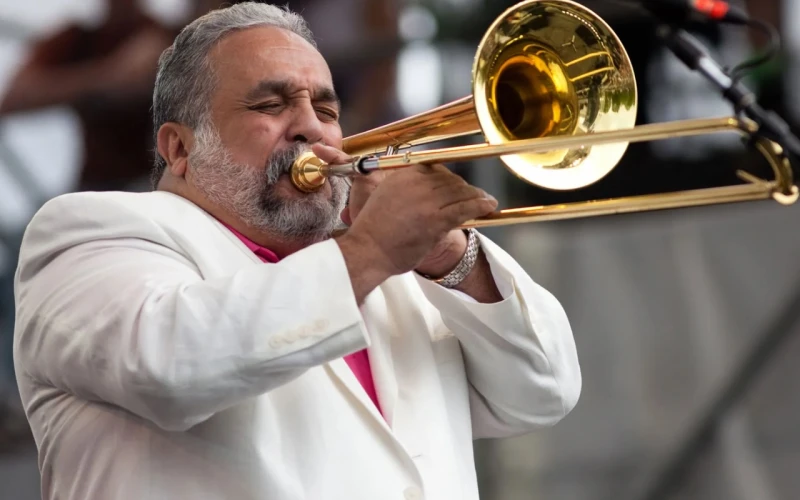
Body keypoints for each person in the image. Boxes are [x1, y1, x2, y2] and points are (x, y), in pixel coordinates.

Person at [12, 3, 581, 499]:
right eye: (270, 105)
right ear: (180, 148)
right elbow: (167, 366)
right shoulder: (90, 232)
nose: (311, 127)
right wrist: (375, 249)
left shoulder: (391, 271)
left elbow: (543, 392)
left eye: (328, 110)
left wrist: (452, 260)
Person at [0, 0, 173, 192]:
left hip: (158, 185)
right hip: (100, 185)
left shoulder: (169, 37)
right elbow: (15, 97)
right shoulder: (79, 39)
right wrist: (109, 76)